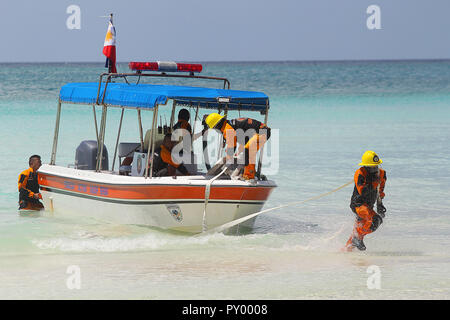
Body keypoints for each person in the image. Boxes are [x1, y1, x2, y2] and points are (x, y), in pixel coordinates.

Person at [204, 113, 271, 180]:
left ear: (216, 126)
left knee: (248, 151)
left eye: (214, 128)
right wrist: (237, 153)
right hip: (261, 131)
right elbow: (243, 142)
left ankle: (249, 177)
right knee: (246, 152)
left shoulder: (228, 128)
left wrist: (228, 158)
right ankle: (251, 172)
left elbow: (232, 146)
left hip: (262, 132)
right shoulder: (231, 125)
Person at [345, 150, 387, 251]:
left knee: (359, 230)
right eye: (371, 167)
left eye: (376, 166)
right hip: (359, 205)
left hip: (369, 206)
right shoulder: (360, 173)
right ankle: (357, 238)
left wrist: (380, 205)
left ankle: (345, 253)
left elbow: (380, 191)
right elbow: (363, 191)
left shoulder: (381, 174)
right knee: (375, 220)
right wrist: (373, 181)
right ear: (366, 167)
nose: (375, 169)